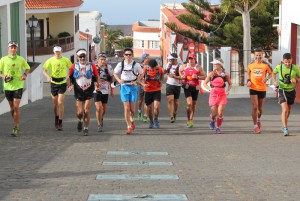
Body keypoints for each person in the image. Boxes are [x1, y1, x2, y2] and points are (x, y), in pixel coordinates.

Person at [0, 41, 30, 136]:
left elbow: (27, 68)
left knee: (16, 107)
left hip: (18, 85)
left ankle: (15, 127)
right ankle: (16, 122)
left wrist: (24, 74)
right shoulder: (3, 59)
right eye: (11, 47)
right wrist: (4, 77)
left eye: (14, 47)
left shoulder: (20, 59)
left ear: (16, 49)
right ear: (8, 49)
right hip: (8, 87)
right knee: (12, 108)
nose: (13, 49)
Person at [67, 49, 100, 136]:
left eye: (84, 56)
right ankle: (80, 120)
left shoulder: (91, 65)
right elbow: (69, 77)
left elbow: (97, 76)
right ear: (77, 57)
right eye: (80, 57)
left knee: (87, 111)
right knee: (80, 112)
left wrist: (97, 85)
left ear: (86, 56)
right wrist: (69, 86)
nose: (82, 58)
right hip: (78, 90)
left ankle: (86, 128)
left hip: (89, 90)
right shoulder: (74, 66)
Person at [113, 48, 143, 135]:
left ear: (132, 55)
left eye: (130, 54)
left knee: (132, 109)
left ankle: (131, 120)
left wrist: (136, 81)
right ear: (124, 55)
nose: (128, 56)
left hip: (133, 87)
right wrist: (119, 80)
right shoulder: (121, 64)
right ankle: (128, 126)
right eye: (126, 54)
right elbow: (115, 73)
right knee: (126, 108)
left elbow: (141, 74)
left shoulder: (136, 65)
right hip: (124, 87)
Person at [43, 44, 72, 131]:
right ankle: (56, 117)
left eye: (59, 52)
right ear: (54, 52)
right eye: (56, 52)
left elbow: (71, 69)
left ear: (61, 51)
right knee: (55, 104)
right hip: (53, 83)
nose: (58, 53)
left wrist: (69, 80)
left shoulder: (66, 60)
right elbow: (44, 70)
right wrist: (47, 76)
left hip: (62, 83)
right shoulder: (50, 60)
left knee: (60, 102)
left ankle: (60, 122)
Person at [272, 53, 300, 136]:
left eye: (289, 62)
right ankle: (285, 128)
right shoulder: (279, 67)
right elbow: (273, 73)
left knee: (289, 110)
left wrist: (296, 80)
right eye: (286, 62)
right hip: (282, 89)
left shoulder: (296, 68)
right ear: (283, 61)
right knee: (285, 109)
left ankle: (284, 125)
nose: (287, 64)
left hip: (291, 90)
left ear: (291, 60)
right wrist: (275, 81)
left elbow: (299, 77)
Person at [203, 58, 232, 134]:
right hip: (213, 94)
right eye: (214, 64)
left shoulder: (225, 74)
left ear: (220, 65)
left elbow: (230, 84)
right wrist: (210, 88)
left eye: (216, 64)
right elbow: (204, 83)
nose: (214, 65)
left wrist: (227, 90)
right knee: (214, 112)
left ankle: (218, 127)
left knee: (220, 113)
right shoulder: (211, 74)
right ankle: (212, 120)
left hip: (222, 94)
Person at [247, 48, 272, 134]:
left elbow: (271, 73)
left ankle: (258, 119)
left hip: (262, 88)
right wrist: (248, 81)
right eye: (257, 55)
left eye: (260, 55)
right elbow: (248, 75)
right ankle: (255, 126)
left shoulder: (266, 65)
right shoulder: (250, 65)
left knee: (260, 108)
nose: (258, 57)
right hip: (253, 88)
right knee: (254, 107)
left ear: (262, 55)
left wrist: (267, 78)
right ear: (254, 55)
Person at [179, 53, 206, 128]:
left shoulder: (198, 67)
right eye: (189, 59)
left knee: (193, 104)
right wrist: (182, 76)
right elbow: (180, 71)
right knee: (189, 103)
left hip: (195, 88)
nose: (190, 60)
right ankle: (188, 119)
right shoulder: (185, 66)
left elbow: (204, 77)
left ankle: (191, 119)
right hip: (187, 87)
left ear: (195, 59)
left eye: (192, 59)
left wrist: (197, 77)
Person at [138, 59, 164, 128]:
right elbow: (139, 80)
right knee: (149, 108)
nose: (152, 69)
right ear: (148, 66)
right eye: (150, 67)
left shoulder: (159, 69)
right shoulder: (144, 70)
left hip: (157, 90)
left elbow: (162, 76)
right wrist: (143, 85)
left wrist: (161, 81)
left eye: (153, 68)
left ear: (156, 66)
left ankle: (156, 119)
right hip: (148, 91)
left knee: (156, 107)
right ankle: (151, 121)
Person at [94, 53, 114, 132]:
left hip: (105, 90)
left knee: (104, 109)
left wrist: (112, 90)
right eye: (101, 59)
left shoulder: (108, 67)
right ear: (98, 60)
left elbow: (112, 78)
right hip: (96, 90)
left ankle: (100, 117)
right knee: (99, 108)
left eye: (104, 60)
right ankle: (99, 124)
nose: (103, 61)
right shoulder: (94, 67)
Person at [165, 53, 182, 123]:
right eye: (169, 59)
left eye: (171, 59)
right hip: (169, 84)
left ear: (175, 59)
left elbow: (183, 77)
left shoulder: (181, 66)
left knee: (176, 102)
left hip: (177, 85)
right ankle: (171, 116)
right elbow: (166, 72)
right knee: (170, 100)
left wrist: (174, 76)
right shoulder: (168, 65)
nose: (170, 60)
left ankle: (174, 112)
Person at [137, 53, 150, 122]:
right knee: (140, 100)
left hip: (148, 85)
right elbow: (137, 75)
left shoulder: (151, 65)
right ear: (144, 59)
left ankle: (145, 115)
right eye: (148, 57)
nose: (149, 58)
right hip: (140, 84)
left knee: (146, 101)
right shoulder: (139, 65)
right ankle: (139, 111)